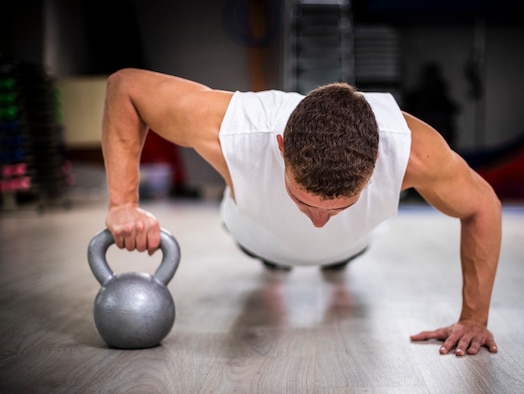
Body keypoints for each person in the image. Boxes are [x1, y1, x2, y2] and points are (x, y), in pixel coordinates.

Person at [101, 68, 502, 356]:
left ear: (377, 161)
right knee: (274, 259)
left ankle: (338, 252)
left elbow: (483, 206)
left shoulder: (415, 151)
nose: (317, 221)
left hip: (353, 244)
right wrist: (123, 204)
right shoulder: (235, 128)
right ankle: (278, 262)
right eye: (304, 203)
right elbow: (126, 88)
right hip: (255, 235)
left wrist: (474, 318)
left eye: (338, 207)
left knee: (341, 247)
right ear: (279, 147)